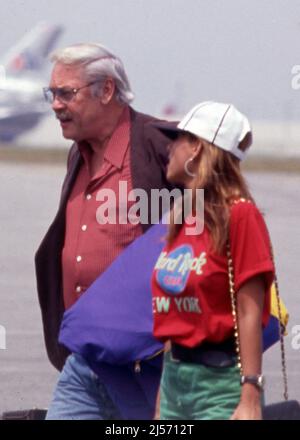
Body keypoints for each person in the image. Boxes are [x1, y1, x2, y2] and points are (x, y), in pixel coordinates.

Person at [35, 43, 173, 419]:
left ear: (107, 90)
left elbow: (212, 232)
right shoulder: (78, 153)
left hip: (150, 365)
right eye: (52, 93)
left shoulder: (161, 146)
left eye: (66, 93)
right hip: (85, 362)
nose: (55, 104)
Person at [151, 101, 275, 420]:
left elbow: (250, 310)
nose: (169, 146)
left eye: (177, 138)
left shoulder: (241, 214)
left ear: (196, 148)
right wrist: (163, 399)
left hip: (220, 387)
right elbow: (175, 314)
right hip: (175, 380)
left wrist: (250, 396)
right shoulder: (183, 216)